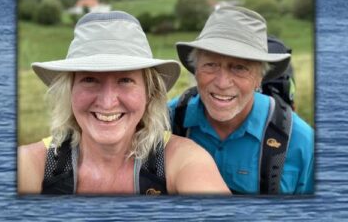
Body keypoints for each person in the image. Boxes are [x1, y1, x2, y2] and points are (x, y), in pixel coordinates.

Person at [17, 11, 229, 195]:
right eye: (90, 79)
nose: (107, 102)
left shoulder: (183, 161)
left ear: (150, 93)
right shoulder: (30, 165)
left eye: (125, 80)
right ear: (69, 91)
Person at [169, 6, 314, 194]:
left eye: (239, 68)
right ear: (195, 70)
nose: (222, 83)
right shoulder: (164, 121)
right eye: (210, 65)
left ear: (259, 78)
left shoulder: (302, 143)